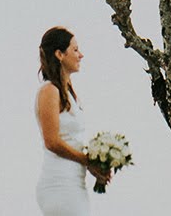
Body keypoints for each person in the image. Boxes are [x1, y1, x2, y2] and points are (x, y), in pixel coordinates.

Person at [34, 25, 113, 216]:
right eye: (75, 49)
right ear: (59, 54)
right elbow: (52, 141)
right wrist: (88, 161)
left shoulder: (69, 94)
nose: (81, 55)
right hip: (59, 183)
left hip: (74, 182)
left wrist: (96, 166)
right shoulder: (49, 91)